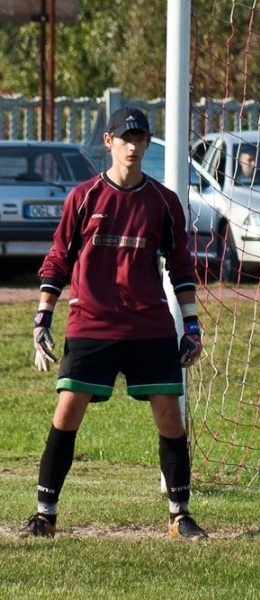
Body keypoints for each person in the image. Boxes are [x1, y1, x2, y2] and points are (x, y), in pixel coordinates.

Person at [19, 107, 208, 541]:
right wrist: (42, 316)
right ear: (108, 141)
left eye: (140, 138)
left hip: (149, 325)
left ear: (146, 144)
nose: (132, 145)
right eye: (125, 138)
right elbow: (59, 258)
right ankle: (44, 514)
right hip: (91, 323)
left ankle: (180, 515)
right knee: (67, 412)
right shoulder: (84, 197)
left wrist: (192, 327)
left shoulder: (163, 201)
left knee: (170, 418)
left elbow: (180, 265)